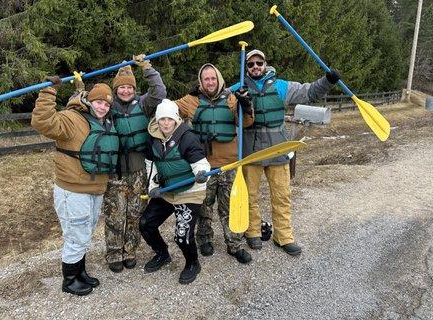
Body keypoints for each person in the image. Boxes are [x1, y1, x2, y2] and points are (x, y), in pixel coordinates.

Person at [230, 49, 340, 256]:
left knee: (281, 196)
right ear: (246, 68)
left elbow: (309, 92)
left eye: (258, 63)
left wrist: (327, 81)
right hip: (250, 152)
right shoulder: (238, 88)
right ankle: (252, 232)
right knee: (249, 196)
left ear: (265, 65)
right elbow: (217, 100)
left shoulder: (281, 86)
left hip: (278, 148)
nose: (255, 67)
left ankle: (283, 236)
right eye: (251, 64)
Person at [31, 77, 118, 296]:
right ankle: (69, 281)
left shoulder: (104, 122)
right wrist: (48, 92)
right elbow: (43, 122)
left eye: (107, 104)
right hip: (73, 190)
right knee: (75, 235)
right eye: (99, 102)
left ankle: (79, 273)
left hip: (95, 188)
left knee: (85, 233)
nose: (103, 107)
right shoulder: (72, 118)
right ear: (89, 100)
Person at [176, 63, 254, 264]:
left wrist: (246, 105)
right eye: (206, 79)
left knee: (230, 206)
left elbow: (246, 123)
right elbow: (168, 110)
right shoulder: (191, 100)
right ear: (200, 82)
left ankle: (234, 245)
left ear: (219, 79)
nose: (210, 82)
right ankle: (204, 239)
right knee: (204, 206)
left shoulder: (232, 98)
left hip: (229, 164)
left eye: (213, 78)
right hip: (204, 165)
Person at [104, 55, 167, 273]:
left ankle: (130, 250)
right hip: (116, 172)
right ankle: (114, 253)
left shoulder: (143, 103)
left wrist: (147, 68)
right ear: (115, 89)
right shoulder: (107, 106)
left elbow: (159, 91)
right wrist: (79, 88)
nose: (125, 91)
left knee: (134, 214)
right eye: (121, 88)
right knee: (115, 214)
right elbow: (86, 102)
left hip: (140, 169)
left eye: (129, 87)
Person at [139, 99, 211, 285]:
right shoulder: (153, 138)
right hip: (167, 190)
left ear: (176, 119)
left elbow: (201, 163)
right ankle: (162, 253)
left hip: (190, 190)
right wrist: (152, 187)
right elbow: (150, 165)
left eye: (169, 119)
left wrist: (202, 174)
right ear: (157, 120)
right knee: (146, 223)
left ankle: (192, 263)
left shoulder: (187, 137)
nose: (165, 123)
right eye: (161, 118)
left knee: (182, 236)